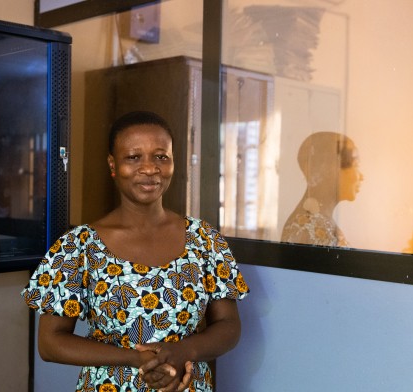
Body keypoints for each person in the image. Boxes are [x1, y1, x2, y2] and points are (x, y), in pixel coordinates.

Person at [21, 111, 249, 391]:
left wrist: (183, 352)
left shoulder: (204, 240)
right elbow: (50, 342)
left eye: (161, 156)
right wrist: (135, 359)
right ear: (113, 164)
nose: (150, 168)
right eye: (133, 157)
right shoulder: (78, 246)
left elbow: (228, 325)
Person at [281, 131, 363, 247]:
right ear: (330, 169)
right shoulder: (309, 226)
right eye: (356, 165)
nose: (361, 176)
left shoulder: (320, 222)